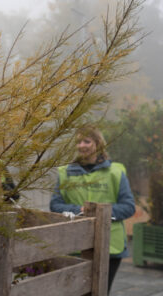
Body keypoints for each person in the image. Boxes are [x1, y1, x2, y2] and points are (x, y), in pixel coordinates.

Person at [50, 125, 135, 294]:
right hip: (75, 245)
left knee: (100, 292)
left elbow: (128, 206)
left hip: (110, 246)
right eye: (78, 142)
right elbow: (56, 205)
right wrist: (79, 210)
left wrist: (101, 213)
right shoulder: (65, 172)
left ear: (98, 144)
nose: (81, 145)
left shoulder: (115, 172)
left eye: (86, 141)